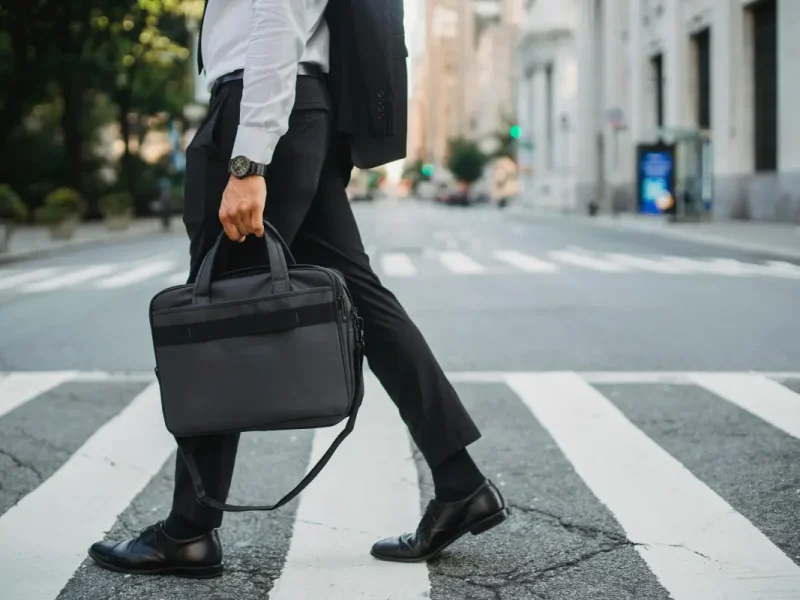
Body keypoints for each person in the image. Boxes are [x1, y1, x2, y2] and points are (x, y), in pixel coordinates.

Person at [88, 0, 508, 577]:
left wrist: (248, 161)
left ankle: (188, 529)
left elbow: (275, 19)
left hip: (265, 108)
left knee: (217, 312)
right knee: (358, 294)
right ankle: (460, 481)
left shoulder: (257, 129)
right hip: (300, 107)